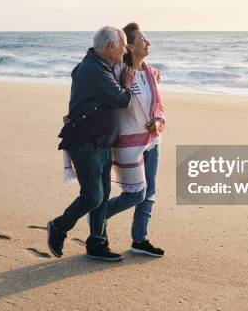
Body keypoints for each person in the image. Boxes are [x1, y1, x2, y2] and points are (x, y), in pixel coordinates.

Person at [47, 26, 135, 262]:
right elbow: (121, 99)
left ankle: (97, 243)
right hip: (86, 144)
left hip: (101, 143)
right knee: (93, 196)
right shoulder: (93, 70)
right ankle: (59, 226)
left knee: (103, 195)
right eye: (124, 45)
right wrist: (127, 82)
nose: (125, 50)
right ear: (110, 46)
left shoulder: (99, 66)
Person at [106, 22, 166, 257]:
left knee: (149, 191)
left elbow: (158, 107)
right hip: (128, 143)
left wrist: (158, 122)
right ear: (129, 47)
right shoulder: (118, 72)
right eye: (142, 40)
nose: (148, 43)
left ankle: (140, 240)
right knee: (134, 194)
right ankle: (99, 214)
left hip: (152, 141)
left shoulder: (151, 74)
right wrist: (125, 85)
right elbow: (112, 101)